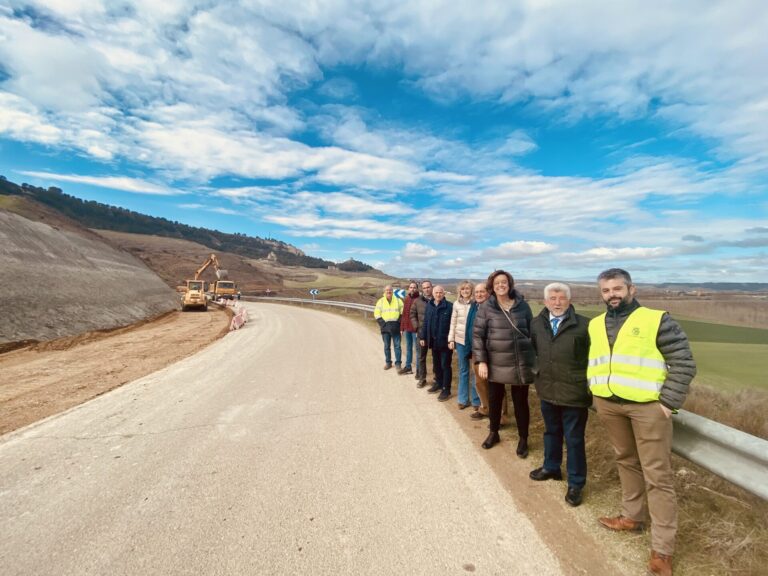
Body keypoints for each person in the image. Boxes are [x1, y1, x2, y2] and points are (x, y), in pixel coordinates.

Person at [588, 268, 696, 576]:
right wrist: (595, 394)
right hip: (609, 404)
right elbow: (597, 361)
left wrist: (667, 404)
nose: (612, 295)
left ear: (631, 289)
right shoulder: (597, 324)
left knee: (658, 477)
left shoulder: (657, 319)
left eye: (617, 288)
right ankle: (632, 517)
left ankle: (662, 550)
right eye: (606, 290)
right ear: (601, 294)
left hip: (648, 408)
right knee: (625, 461)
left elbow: (684, 362)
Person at [529, 282, 591, 507]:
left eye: (561, 298)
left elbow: (593, 359)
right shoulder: (536, 324)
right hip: (547, 388)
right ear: (545, 302)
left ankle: (575, 483)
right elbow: (533, 352)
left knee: (574, 439)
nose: (557, 302)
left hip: (574, 392)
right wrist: (537, 373)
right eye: (552, 298)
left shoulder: (585, 326)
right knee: (551, 432)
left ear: (569, 300)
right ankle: (551, 467)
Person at [472, 270, 535, 456]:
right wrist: (481, 361)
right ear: (492, 286)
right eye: (497, 282)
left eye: (504, 282)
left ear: (510, 284)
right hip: (495, 361)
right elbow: (478, 335)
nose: (501, 285)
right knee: (494, 399)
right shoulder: (486, 307)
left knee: (521, 402)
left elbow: (532, 331)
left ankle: (523, 439)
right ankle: (493, 432)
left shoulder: (523, 306)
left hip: (520, 360)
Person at [466, 282, 510, 423]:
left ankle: (501, 416)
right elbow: (470, 329)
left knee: (496, 384)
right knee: (480, 383)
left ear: (488, 293)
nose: (479, 294)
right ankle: (485, 409)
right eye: (477, 292)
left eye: (482, 291)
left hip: (493, 353)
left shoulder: (494, 308)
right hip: (477, 351)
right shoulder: (474, 307)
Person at [448, 281, 481, 410]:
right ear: (459, 291)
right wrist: (451, 339)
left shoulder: (476, 304)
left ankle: (476, 400)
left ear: (471, 290)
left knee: (475, 372)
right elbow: (453, 322)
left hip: (474, 342)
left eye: (468, 289)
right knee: (463, 370)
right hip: (461, 341)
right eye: (463, 289)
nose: (465, 291)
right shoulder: (456, 304)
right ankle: (462, 399)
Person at [420, 285, 453, 402]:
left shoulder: (449, 306)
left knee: (445, 366)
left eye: (440, 292)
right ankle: (438, 383)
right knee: (436, 365)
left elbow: (452, 325)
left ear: (443, 294)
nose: (438, 294)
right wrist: (423, 336)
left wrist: (451, 340)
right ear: (433, 294)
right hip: (433, 342)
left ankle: (446, 389)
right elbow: (425, 322)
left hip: (445, 343)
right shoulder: (429, 305)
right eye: (436, 292)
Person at [373, 285, 404, 370]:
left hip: (396, 327)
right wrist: (383, 324)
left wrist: (399, 322)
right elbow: (377, 313)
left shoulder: (398, 300)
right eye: (387, 290)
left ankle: (398, 363)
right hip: (385, 328)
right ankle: (388, 363)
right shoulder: (380, 301)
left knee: (397, 346)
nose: (388, 292)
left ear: (392, 291)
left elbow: (403, 311)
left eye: (390, 290)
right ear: (384, 291)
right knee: (387, 346)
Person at [410, 280, 433, 388]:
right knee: (421, 357)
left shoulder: (437, 299)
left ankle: (437, 380)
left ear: (431, 287)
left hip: (434, 335)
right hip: (421, 334)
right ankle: (422, 378)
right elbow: (412, 315)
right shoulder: (417, 301)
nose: (426, 289)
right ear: (422, 289)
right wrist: (417, 327)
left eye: (428, 287)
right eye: (424, 288)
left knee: (436, 358)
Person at [398, 282, 420, 376]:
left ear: (417, 289)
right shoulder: (406, 299)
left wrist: (419, 329)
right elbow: (404, 315)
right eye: (411, 287)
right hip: (407, 328)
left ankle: (419, 370)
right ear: (408, 289)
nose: (412, 289)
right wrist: (402, 328)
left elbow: (420, 316)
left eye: (414, 287)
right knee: (408, 348)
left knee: (418, 350)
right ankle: (408, 367)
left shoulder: (419, 299)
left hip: (416, 330)